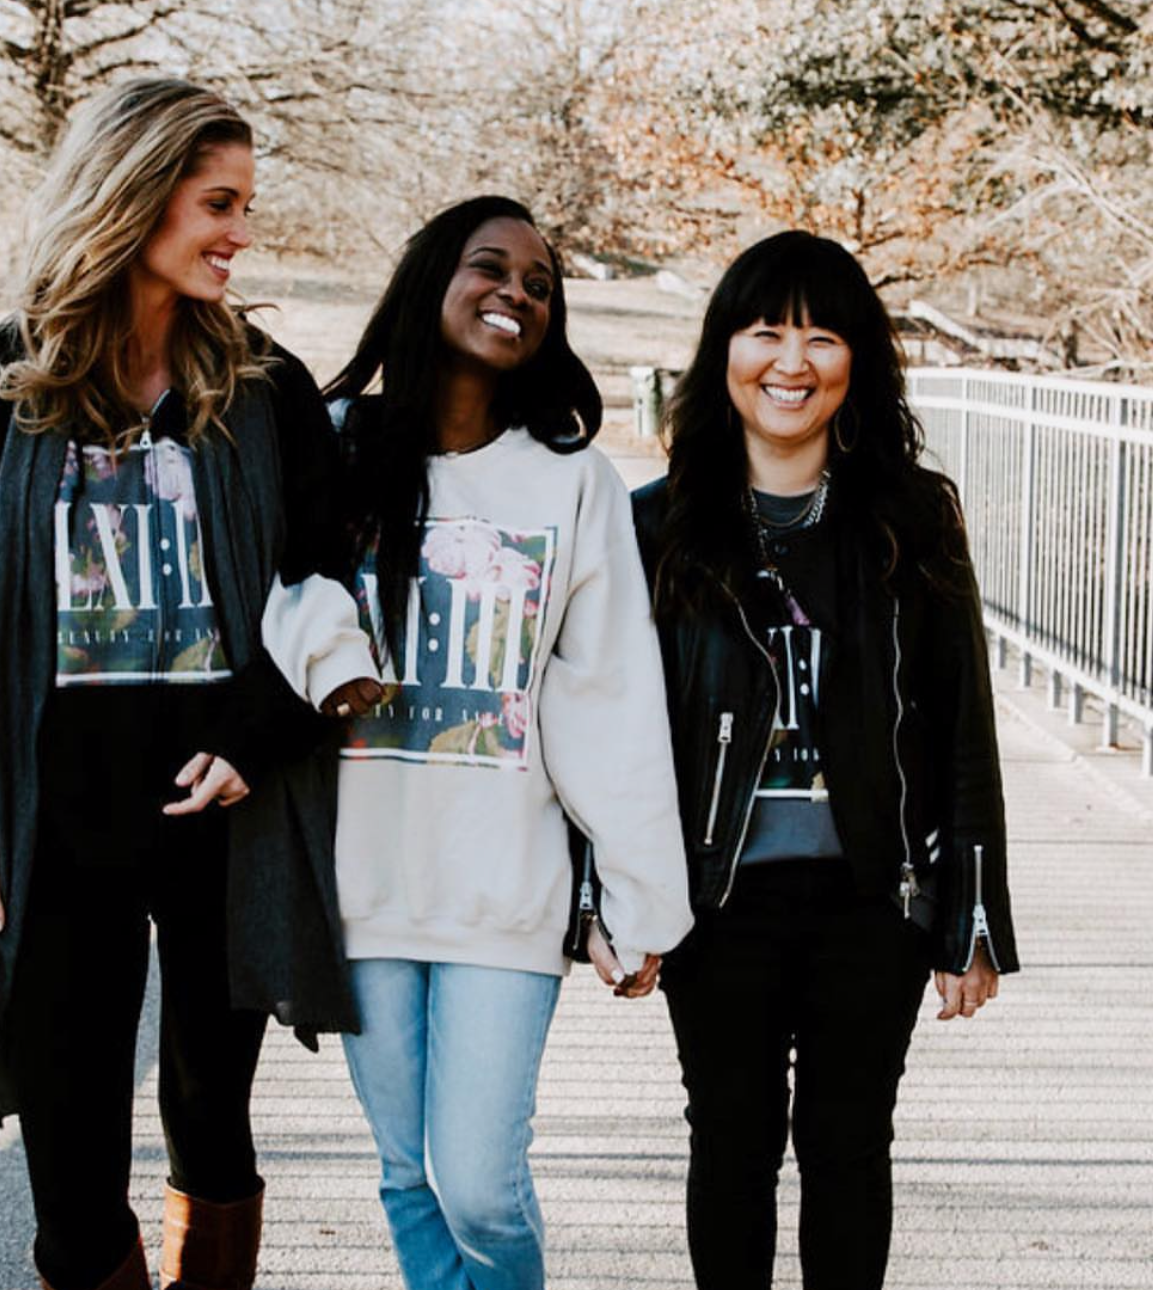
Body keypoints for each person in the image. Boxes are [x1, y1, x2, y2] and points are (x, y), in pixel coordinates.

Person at [0, 78, 370, 1290]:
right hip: (57, 818)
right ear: (135, 195)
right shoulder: (5, 378)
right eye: (219, 202)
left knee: (211, 1122)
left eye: (246, 205)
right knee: (69, 1153)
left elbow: (326, 585)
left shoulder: (263, 387)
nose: (241, 232)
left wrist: (256, 736)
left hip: (223, 813)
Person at [263, 194, 694, 1290]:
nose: (515, 292)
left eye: (539, 284)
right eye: (489, 267)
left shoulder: (571, 485)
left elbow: (610, 699)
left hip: (504, 889)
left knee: (480, 1185)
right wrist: (330, 653)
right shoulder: (334, 445)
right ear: (430, 280)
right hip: (361, 885)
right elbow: (277, 588)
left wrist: (642, 893)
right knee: (407, 1172)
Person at [632, 229, 1019, 1290]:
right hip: (715, 897)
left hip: (872, 894)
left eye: (821, 334)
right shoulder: (657, 527)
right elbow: (618, 736)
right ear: (725, 352)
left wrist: (970, 915)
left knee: (850, 1145)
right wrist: (615, 898)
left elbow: (960, 720)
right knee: (731, 1142)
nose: (791, 361)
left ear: (861, 360)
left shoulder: (911, 518)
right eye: (765, 331)